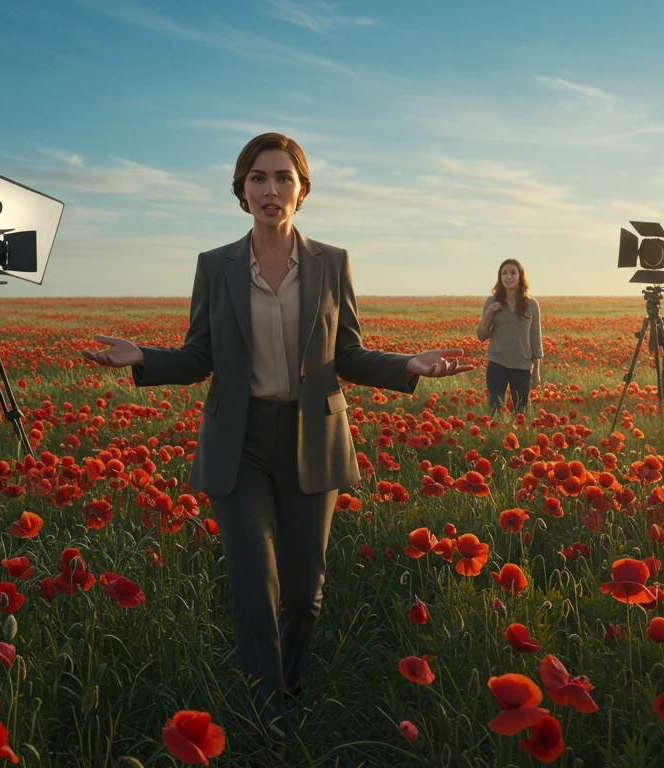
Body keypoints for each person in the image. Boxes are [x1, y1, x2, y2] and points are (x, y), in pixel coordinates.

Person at [82, 133, 471, 734]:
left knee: (304, 589)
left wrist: (407, 366)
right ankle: (266, 715)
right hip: (240, 441)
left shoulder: (331, 262)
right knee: (252, 584)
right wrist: (143, 357)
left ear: (302, 189)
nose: (271, 189)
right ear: (241, 190)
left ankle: (288, 687)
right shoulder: (216, 265)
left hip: (312, 436)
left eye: (283, 178)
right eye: (258, 178)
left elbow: (347, 353)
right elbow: (198, 356)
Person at [477, 259, 542, 422]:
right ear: (500, 277)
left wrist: (536, 372)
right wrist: (490, 312)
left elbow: (535, 339)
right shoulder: (492, 302)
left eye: (513, 273)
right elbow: (481, 335)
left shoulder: (531, 304)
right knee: (495, 411)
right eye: (504, 273)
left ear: (520, 276)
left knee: (521, 412)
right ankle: (496, 442)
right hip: (497, 362)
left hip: (522, 364)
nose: (508, 277)